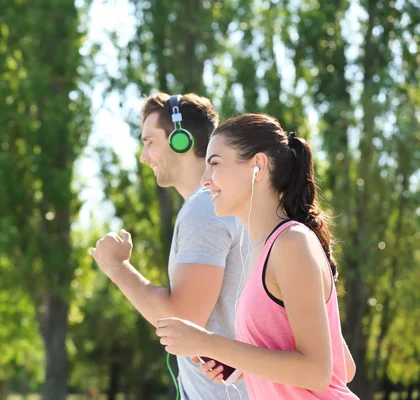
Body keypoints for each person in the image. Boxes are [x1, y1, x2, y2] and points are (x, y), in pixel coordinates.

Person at [155, 113, 358, 399]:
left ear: (258, 166)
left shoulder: (292, 243)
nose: (204, 180)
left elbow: (317, 372)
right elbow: (344, 366)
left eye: (214, 164)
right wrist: (241, 364)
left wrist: (209, 343)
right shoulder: (261, 251)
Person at [90, 93, 249, 399]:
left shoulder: (204, 209)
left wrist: (117, 268)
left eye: (149, 142)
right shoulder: (219, 204)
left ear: (181, 139)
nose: (143, 156)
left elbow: (183, 319)